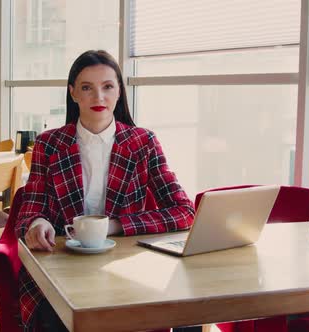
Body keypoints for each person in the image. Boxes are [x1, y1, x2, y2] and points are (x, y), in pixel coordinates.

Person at [15, 50, 195, 331]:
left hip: (128, 271)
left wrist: (116, 226)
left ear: (119, 91)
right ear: (73, 93)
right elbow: (30, 209)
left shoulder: (143, 142)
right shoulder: (48, 144)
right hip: (63, 268)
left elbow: (184, 212)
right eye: (87, 88)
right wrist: (37, 222)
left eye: (108, 87)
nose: (98, 97)